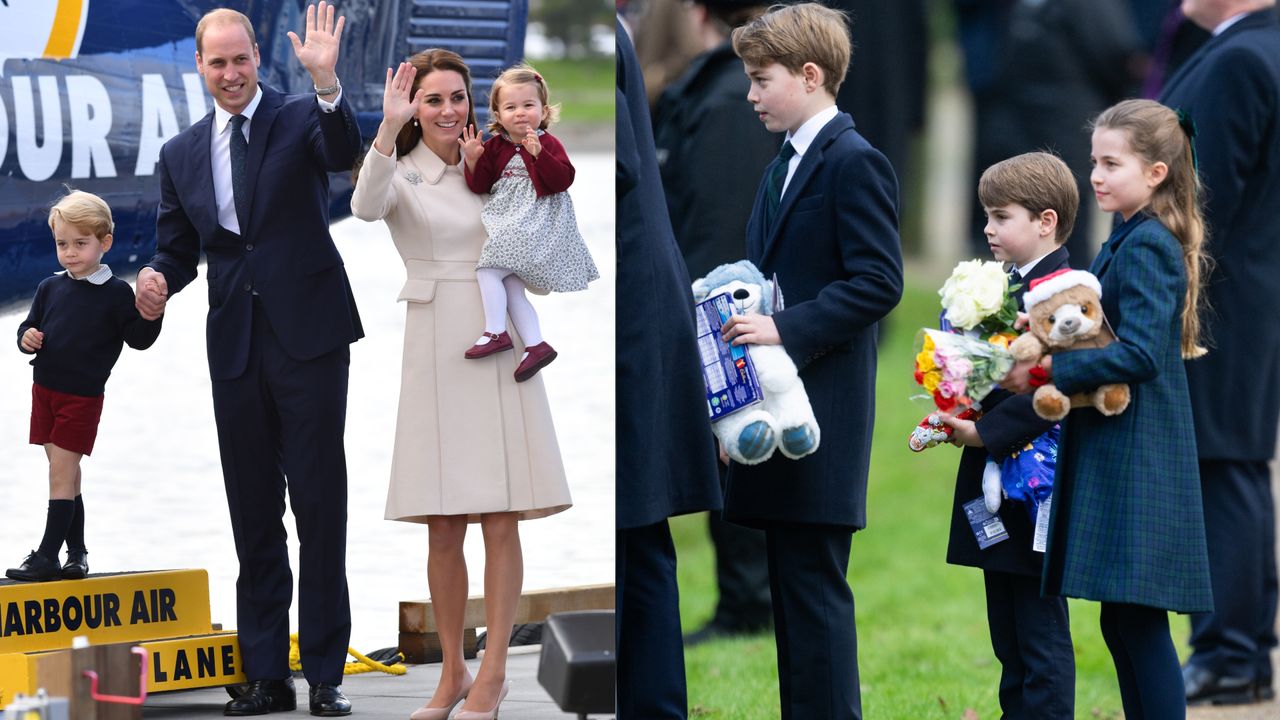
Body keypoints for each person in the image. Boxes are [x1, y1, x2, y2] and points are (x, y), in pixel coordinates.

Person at [132, 4, 363, 715]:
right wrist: (157, 280)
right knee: (253, 513)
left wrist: (327, 84)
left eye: (240, 60)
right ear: (199, 68)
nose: (230, 74)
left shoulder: (300, 118)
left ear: (259, 58)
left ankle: (325, 675)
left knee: (320, 507)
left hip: (310, 338)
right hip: (234, 345)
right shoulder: (180, 154)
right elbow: (180, 248)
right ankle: (266, 674)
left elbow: (342, 153)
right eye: (216, 62)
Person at [349, 50, 572, 720]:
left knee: (501, 516)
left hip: (499, 340)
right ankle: (451, 676)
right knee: (442, 523)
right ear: (414, 107)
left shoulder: (500, 161)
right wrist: (386, 131)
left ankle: (495, 675)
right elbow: (363, 208)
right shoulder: (398, 169)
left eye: (457, 97)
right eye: (433, 99)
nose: (449, 111)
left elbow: (537, 259)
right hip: (434, 346)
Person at [721, 5, 904, 717]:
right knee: (790, 591)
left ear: (809, 75)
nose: (751, 94)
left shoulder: (855, 161)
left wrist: (782, 329)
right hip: (776, 404)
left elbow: (880, 281)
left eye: (761, 79)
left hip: (823, 404)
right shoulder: (786, 162)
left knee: (816, 590)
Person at [1005, 98, 1213, 719]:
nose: (1095, 175)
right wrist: (1043, 330)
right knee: (1124, 624)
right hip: (1122, 449)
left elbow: (1143, 354)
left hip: (1140, 453)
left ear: (1155, 173)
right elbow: (1103, 329)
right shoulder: (1126, 236)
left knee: (1138, 625)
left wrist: (1050, 369)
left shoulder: (1147, 244)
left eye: (1111, 164)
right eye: (1094, 161)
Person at [1159, 0, 1280, 704]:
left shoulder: (1240, 55)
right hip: (1246, 289)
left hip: (1220, 295)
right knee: (1235, 460)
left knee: (1222, 461)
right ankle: (1243, 646)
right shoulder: (1254, 46)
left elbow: (1207, 196)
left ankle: (1231, 649)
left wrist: (1152, 284)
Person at [651, 0, 777, 646]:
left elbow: (719, 229)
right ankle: (744, 597)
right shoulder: (707, 91)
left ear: (698, 11)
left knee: (737, 441)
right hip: (701, 295)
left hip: (719, 306)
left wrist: (697, 322)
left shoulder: (727, 100)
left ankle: (749, 602)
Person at [940, 152, 1077, 719]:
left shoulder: (1068, 293)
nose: (989, 229)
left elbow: (1060, 388)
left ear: (1045, 221)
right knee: (1007, 634)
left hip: (1037, 485)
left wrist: (985, 432)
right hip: (991, 479)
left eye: (1001, 217)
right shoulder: (1001, 285)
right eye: (987, 217)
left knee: (1039, 631)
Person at [616, 17, 723, 719]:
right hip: (642, 291)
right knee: (639, 530)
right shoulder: (618, 31)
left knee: (632, 528)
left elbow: (614, 168)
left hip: (628, 306)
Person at [6, 191, 162, 583]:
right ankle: (76, 554)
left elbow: (139, 339)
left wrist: (153, 312)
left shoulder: (115, 294)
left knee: (61, 473)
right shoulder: (49, 287)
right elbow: (28, 326)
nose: (70, 252)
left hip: (81, 398)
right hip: (44, 392)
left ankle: (46, 556)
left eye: (81, 243)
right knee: (68, 476)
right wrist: (27, 337)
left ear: (104, 242)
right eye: (62, 244)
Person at [458, 64, 598, 381]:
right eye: (511, 107)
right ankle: (535, 344)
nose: (520, 113)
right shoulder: (495, 146)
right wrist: (473, 158)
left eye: (528, 105)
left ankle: (495, 332)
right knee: (510, 285)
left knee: (488, 269)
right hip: (510, 223)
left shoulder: (547, 143)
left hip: (537, 225)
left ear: (544, 110)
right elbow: (480, 186)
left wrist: (538, 155)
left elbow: (562, 181)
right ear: (497, 112)